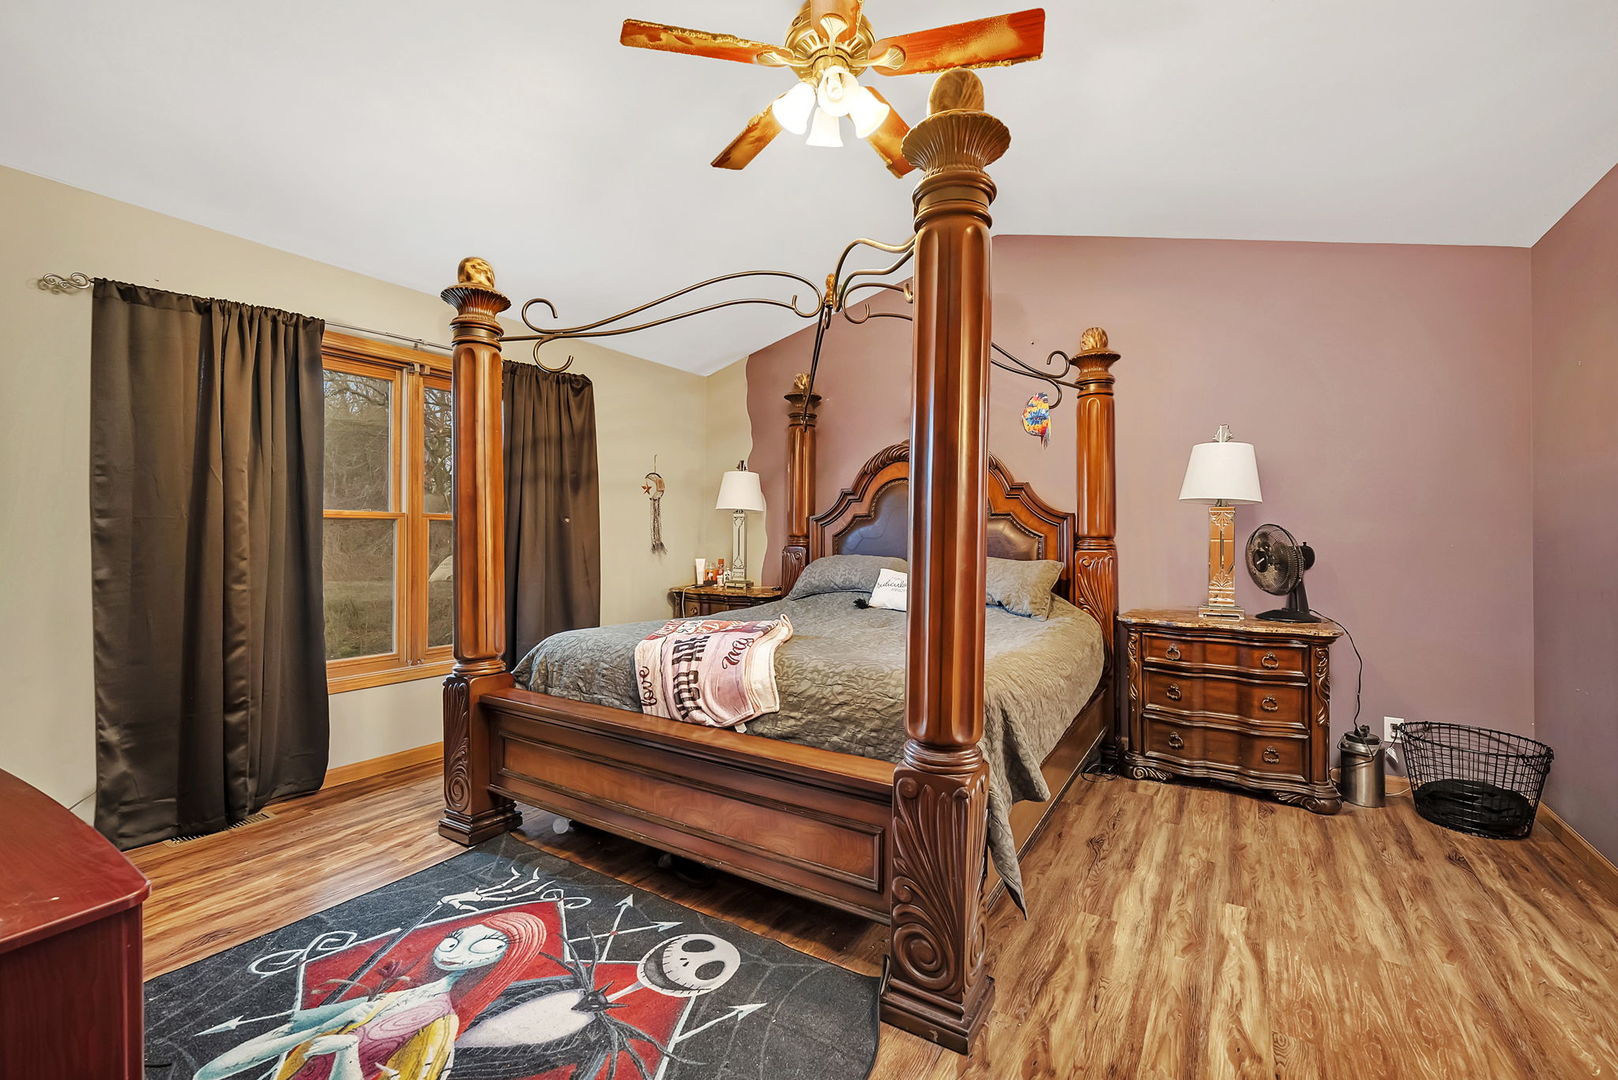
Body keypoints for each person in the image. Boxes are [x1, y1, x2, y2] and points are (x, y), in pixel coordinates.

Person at [193, 910, 549, 1080]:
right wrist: (319, 1027)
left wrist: (344, 1049)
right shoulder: (396, 997)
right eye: (455, 938)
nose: (455, 950)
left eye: (485, 945)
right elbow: (288, 1033)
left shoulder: (440, 1023)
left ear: (504, 959)